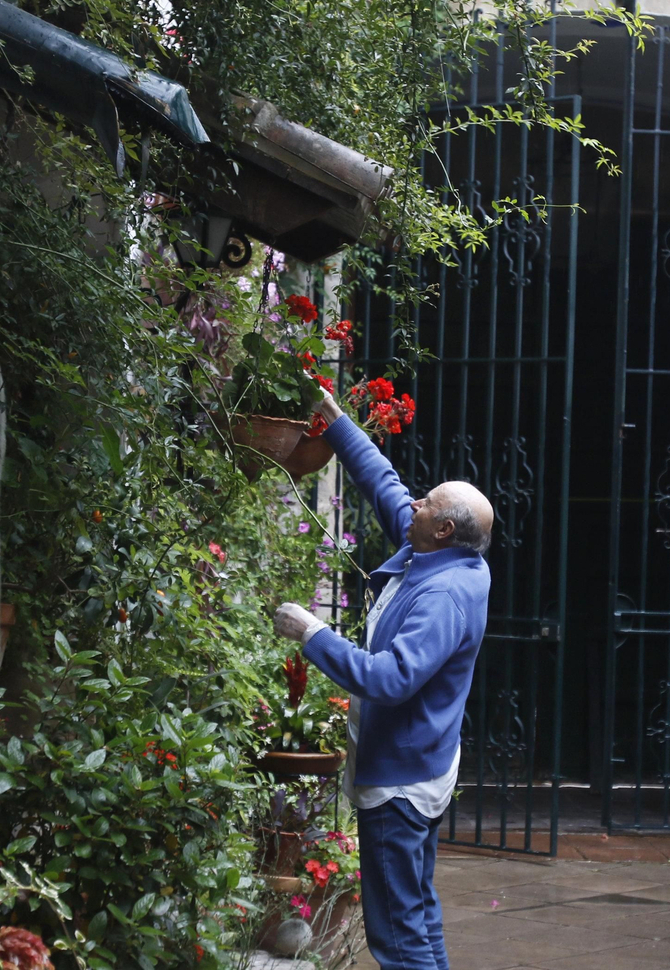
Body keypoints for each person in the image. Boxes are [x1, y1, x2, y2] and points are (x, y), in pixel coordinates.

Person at [273, 387, 493, 970]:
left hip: (401, 784)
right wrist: (337, 421)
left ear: (443, 529)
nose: (414, 503)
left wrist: (313, 634)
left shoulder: (444, 596)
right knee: (415, 912)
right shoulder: (440, 553)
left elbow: (391, 679)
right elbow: (386, 485)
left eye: (427, 504)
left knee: (396, 935)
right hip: (422, 763)